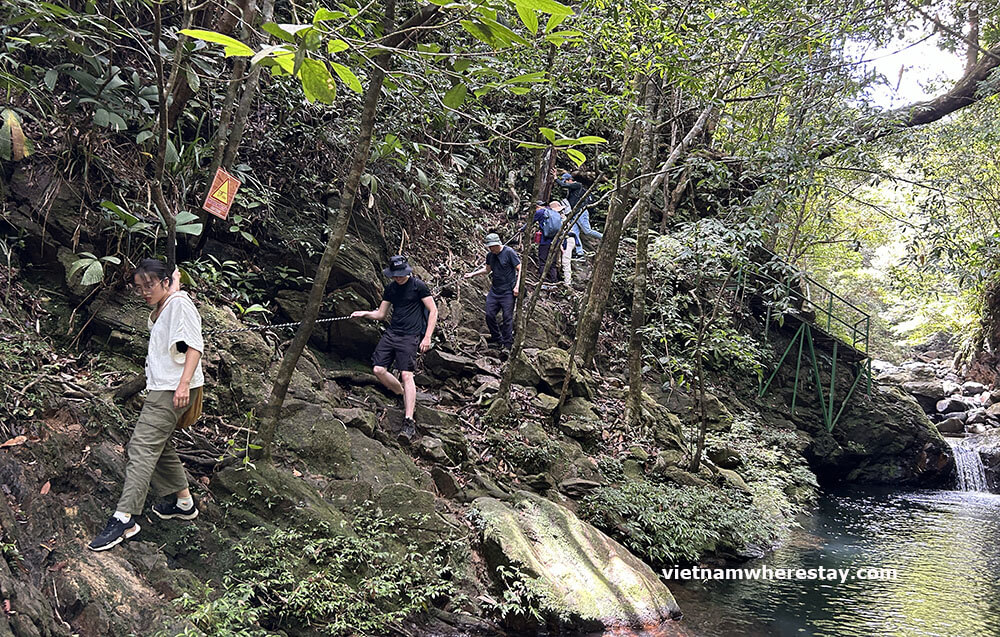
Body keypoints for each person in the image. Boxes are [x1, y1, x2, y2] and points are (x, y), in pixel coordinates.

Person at [89, 259, 204, 552]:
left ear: (164, 282)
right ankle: (183, 502)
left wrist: (182, 385)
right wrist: (173, 287)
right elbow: (157, 320)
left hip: (172, 388)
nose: (144, 292)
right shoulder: (170, 303)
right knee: (158, 444)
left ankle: (124, 517)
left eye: (149, 285)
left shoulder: (179, 303)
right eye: (140, 288)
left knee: (141, 447)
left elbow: (194, 345)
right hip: (163, 387)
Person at [351, 255, 437, 443]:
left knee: (407, 374)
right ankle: (401, 393)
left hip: (410, 336)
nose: (398, 278)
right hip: (392, 333)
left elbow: (433, 310)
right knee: (378, 370)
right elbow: (381, 314)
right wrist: (364, 313)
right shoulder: (390, 289)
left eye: (400, 274)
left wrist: (427, 336)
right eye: (395, 275)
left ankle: (409, 420)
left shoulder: (418, 286)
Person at [464, 233, 521, 354]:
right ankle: (497, 339)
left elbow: (520, 268)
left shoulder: (509, 252)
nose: (491, 249)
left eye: (493, 247)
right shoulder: (490, 255)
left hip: (508, 292)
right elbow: (487, 269)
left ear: (498, 244)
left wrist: (517, 286)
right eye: (489, 247)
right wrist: (472, 274)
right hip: (495, 291)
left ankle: (507, 345)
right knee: (489, 315)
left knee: (507, 318)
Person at [557, 172, 602, 256]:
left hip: (581, 212)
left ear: (569, 180)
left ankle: (604, 237)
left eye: (565, 181)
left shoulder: (577, 185)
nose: (565, 183)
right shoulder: (571, 191)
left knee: (587, 231)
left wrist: (556, 178)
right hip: (574, 213)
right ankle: (579, 252)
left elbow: (563, 185)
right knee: (575, 233)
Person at [549, 200, 578, 286]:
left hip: (567, 240)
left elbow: (561, 232)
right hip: (565, 240)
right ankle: (561, 278)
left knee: (565, 261)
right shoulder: (561, 216)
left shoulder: (561, 218)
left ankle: (567, 283)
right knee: (559, 261)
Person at [533, 201, 558, 284]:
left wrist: (522, 229)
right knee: (553, 262)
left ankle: (542, 282)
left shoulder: (540, 212)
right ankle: (554, 281)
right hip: (555, 241)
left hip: (545, 241)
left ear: (538, 206)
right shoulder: (554, 212)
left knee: (543, 260)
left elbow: (530, 223)